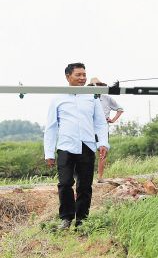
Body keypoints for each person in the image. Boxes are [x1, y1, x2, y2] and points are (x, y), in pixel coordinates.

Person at [44, 63, 109, 230]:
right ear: (68, 77)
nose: (82, 78)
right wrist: (49, 153)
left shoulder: (92, 98)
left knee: (85, 186)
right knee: (65, 183)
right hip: (65, 146)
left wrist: (103, 143)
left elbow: (100, 123)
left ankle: (82, 222)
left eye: (84, 75)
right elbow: (51, 127)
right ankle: (66, 219)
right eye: (78, 75)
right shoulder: (58, 98)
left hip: (87, 145)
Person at [88, 77, 123, 181]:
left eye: (97, 86)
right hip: (89, 128)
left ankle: (100, 177)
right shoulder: (86, 97)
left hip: (102, 129)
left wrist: (112, 120)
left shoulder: (107, 98)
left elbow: (120, 109)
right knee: (88, 153)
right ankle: (87, 177)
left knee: (103, 151)